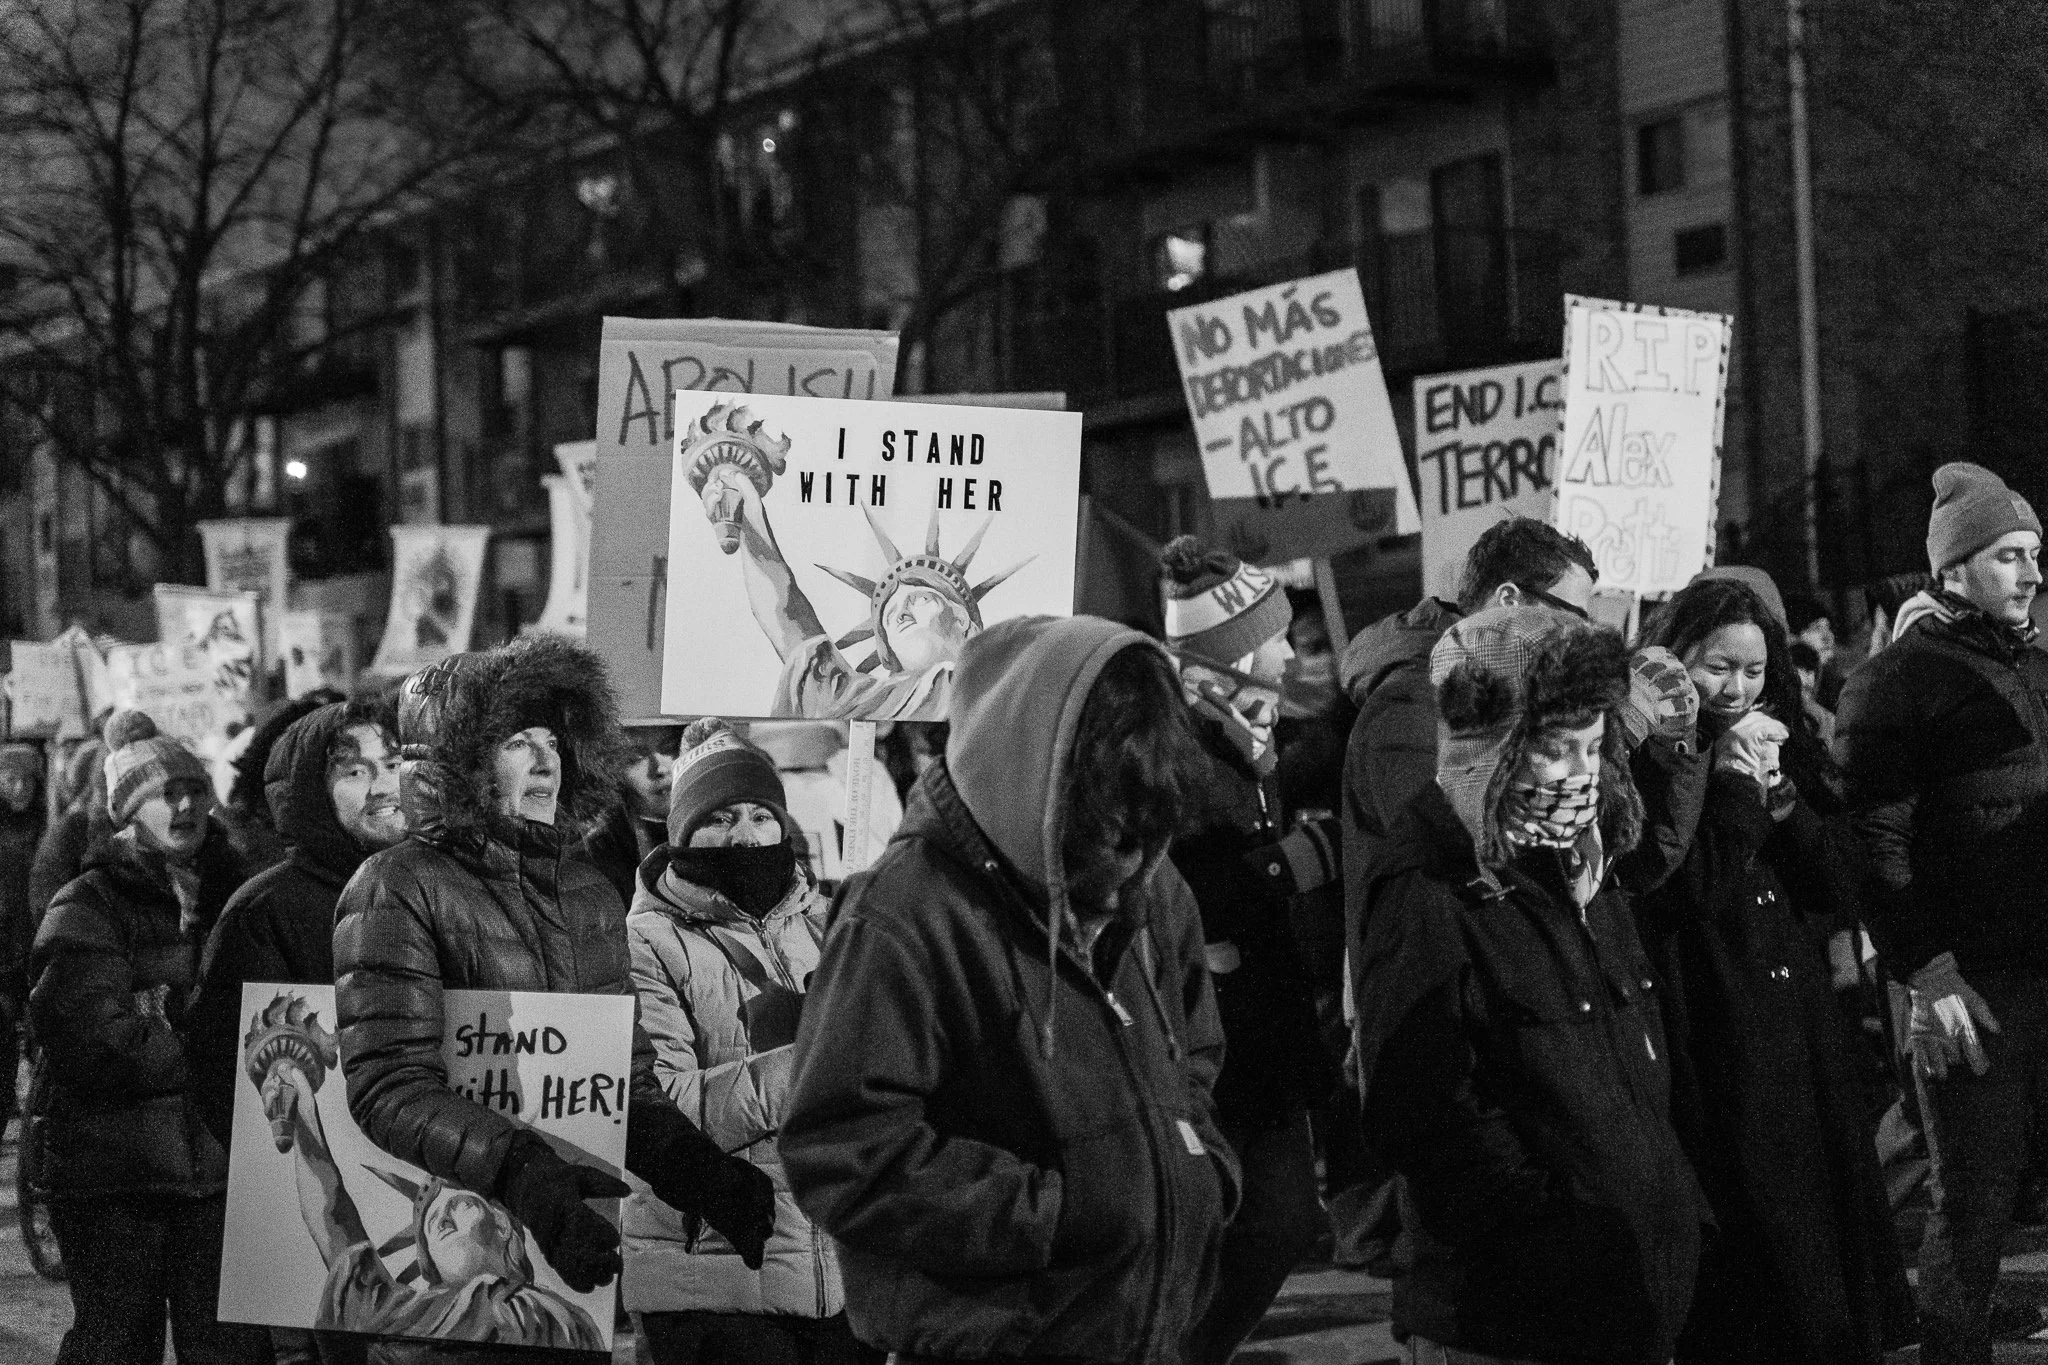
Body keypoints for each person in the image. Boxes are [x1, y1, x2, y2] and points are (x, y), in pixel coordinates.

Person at [780, 615, 1238, 1365]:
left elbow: (1194, 1056)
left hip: (1140, 1338)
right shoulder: (905, 911)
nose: (1128, 859)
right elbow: (844, 1146)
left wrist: (1198, 1171)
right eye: (1108, 826)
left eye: (1144, 831)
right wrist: (1056, 1212)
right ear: (1040, 780)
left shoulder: (1155, 887)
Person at [332, 633, 776, 1363]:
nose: (546, 762)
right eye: (517, 742)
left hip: (565, 1273)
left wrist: (691, 1165)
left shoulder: (587, 890)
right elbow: (386, 1084)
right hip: (448, 1289)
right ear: (459, 761)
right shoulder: (396, 884)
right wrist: (523, 1171)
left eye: (553, 741)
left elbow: (619, 1078)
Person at [1352, 606, 1706, 1365]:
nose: (1583, 772)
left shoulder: (1581, 865)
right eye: (1556, 749)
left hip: (1624, 1302)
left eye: (1594, 747)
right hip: (1510, 1320)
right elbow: (1428, 1114)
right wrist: (1559, 1237)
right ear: (1493, 750)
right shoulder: (1429, 883)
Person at [1629, 574, 1914, 1364]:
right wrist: (1729, 785)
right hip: (1711, 1012)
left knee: (1821, 1220)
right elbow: (1686, 890)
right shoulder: (1650, 759)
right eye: (1719, 666)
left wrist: (1781, 795)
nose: (1737, 688)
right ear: (1677, 658)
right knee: (1758, 1233)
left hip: (1795, 1016)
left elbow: (1832, 885)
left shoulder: (1781, 738)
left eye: (1753, 669)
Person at [1333, 517, 1600, 1271]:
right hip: (1448, 1003)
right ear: (1509, 598)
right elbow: (1454, 844)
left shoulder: (1498, 693)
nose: (1582, 637)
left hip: (1511, 998)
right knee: (1469, 1242)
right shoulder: (1413, 704)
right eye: (1573, 616)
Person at [1835, 462, 2048, 1365]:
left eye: (2035, 553)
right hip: (1972, 985)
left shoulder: (2035, 665)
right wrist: (1928, 970)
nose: (2031, 573)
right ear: (1952, 567)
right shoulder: (1894, 682)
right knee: (1972, 1199)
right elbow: (1874, 846)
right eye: (2008, 555)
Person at [28, 711, 268, 1365]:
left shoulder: (240, 892)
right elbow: (91, 1034)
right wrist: (209, 1050)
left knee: (230, 1348)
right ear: (128, 809)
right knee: (116, 1343)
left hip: (218, 1173)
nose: (185, 805)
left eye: (193, 789)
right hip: (114, 1177)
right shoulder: (89, 901)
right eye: (165, 793)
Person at [625, 718, 858, 1365]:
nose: (746, 835)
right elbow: (656, 1106)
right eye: (721, 817)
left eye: (761, 816)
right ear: (682, 832)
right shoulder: (644, 942)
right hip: (715, 1278)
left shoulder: (830, 924)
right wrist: (810, 1066)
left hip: (842, 1278)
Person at [1155, 537, 1335, 1365]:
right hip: (1218, 1033)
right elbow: (1175, 889)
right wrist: (1283, 867)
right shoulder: (1179, 755)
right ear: (1231, 655)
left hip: (1260, 1024)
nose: (1291, 654)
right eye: (1277, 638)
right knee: (1265, 1220)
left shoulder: (1245, 734)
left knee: (1275, 1219)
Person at [684, 403, 1030, 720]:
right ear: (889, 656)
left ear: (963, 621)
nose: (902, 613)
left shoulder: (1016, 694)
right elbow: (788, 620)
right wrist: (748, 515)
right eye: (890, 617)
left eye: (920, 599)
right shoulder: (859, 704)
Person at [575, 723, 682, 908]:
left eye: (670, 748)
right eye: (635, 758)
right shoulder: (598, 854)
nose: (660, 769)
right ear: (611, 769)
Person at [0, 742, 42, 1138]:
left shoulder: (46, 826)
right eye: (11, 779)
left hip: (33, 944)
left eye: (28, 780)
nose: (20, 788)